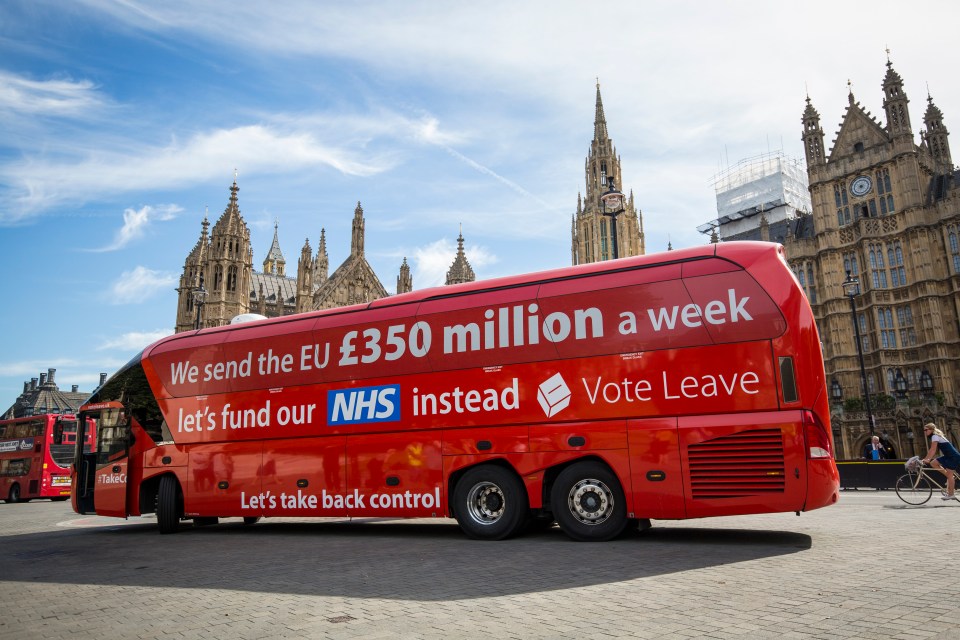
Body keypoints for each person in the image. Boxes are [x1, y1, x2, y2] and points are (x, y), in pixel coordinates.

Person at [920, 423, 960, 500]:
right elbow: (931, 451)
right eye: (924, 430)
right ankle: (949, 477)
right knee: (933, 463)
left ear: (931, 430)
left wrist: (927, 459)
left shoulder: (935, 436)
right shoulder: (935, 436)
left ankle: (951, 494)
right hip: (948, 456)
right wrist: (926, 459)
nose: (925, 431)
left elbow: (933, 449)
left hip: (953, 457)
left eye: (926, 430)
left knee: (950, 475)